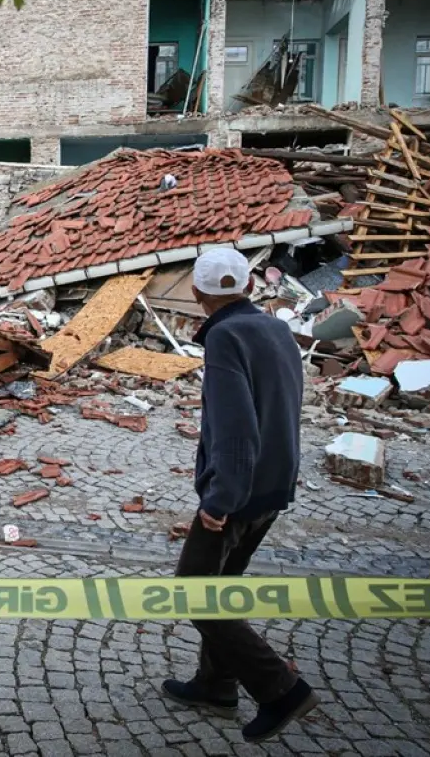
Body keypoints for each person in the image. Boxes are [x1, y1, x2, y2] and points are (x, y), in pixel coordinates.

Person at [160, 247, 318, 742]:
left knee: (195, 591)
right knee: (223, 585)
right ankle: (216, 683)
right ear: (249, 287)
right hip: (274, 484)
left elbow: (234, 428)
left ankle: (280, 688)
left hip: (240, 492)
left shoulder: (226, 337)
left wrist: (220, 499)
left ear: (197, 292)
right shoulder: (276, 328)